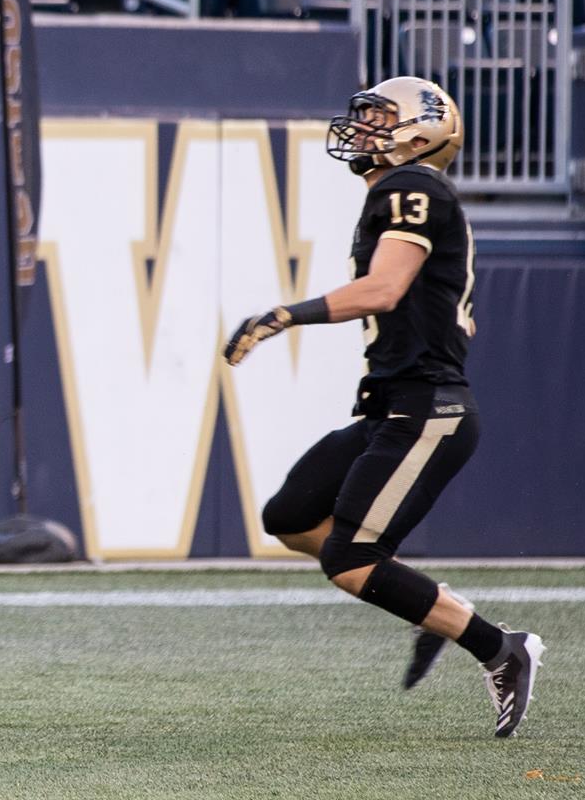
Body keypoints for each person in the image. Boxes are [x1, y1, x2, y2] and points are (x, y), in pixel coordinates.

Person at [223, 76, 545, 738]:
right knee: (289, 516)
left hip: (429, 411)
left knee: (349, 559)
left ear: (421, 131)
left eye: (379, 117)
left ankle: (499, 647)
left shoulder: (413, 187)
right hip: (394, 407)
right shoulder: (405, 197)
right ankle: (434, 609)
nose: (364, 127)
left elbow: (385, 288)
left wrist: (285, 314)